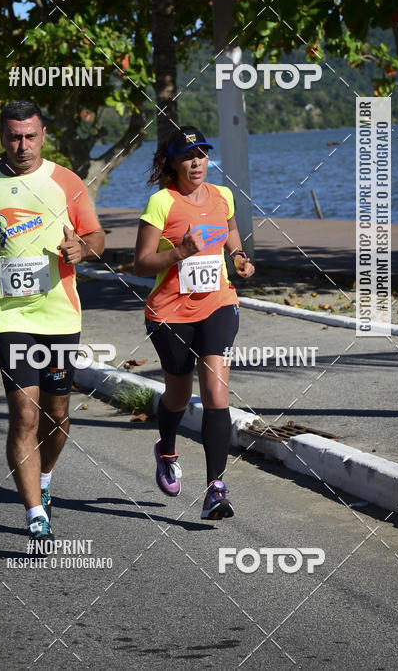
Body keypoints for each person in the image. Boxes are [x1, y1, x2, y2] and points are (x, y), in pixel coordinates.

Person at [0, 100, 105, 550]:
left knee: (58, 413)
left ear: (42, 134)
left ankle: (45, 477)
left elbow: (95, 234)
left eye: (29, 136)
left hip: (59, 312)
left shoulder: (65, 180)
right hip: (9, 313)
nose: (21, 145)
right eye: (12, 136)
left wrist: (81, 250)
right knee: (24, 413)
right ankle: (34, 515)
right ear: (1, 137)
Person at [134, 126, 255, 520]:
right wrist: (180, 253)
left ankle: (215, 489)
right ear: (173, 162)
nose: (197, 161)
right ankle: (166, 448)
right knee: (179, 397)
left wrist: (238, 257)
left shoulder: (223, 196)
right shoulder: (161, 203)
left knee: (217, 397)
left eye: (202, 153)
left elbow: (232, 232)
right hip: (169, 313)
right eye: (188, 155)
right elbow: (141, 262)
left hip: (218, 303)